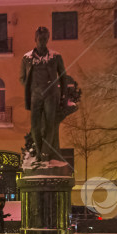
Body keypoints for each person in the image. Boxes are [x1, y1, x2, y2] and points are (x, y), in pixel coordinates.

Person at [19, 26, 68, 161]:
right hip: (35, 95)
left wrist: (64, 96)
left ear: (48, 39)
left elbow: (63, 77)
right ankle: (40, 152)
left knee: (49, 124)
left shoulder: (56, 57)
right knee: (35, 126)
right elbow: (22, 78)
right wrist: (31, 87)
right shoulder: (26, 58)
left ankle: (45, 153)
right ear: (35, 39)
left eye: (45, 38)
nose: (42, 41)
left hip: (51, 95)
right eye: (40, 38)